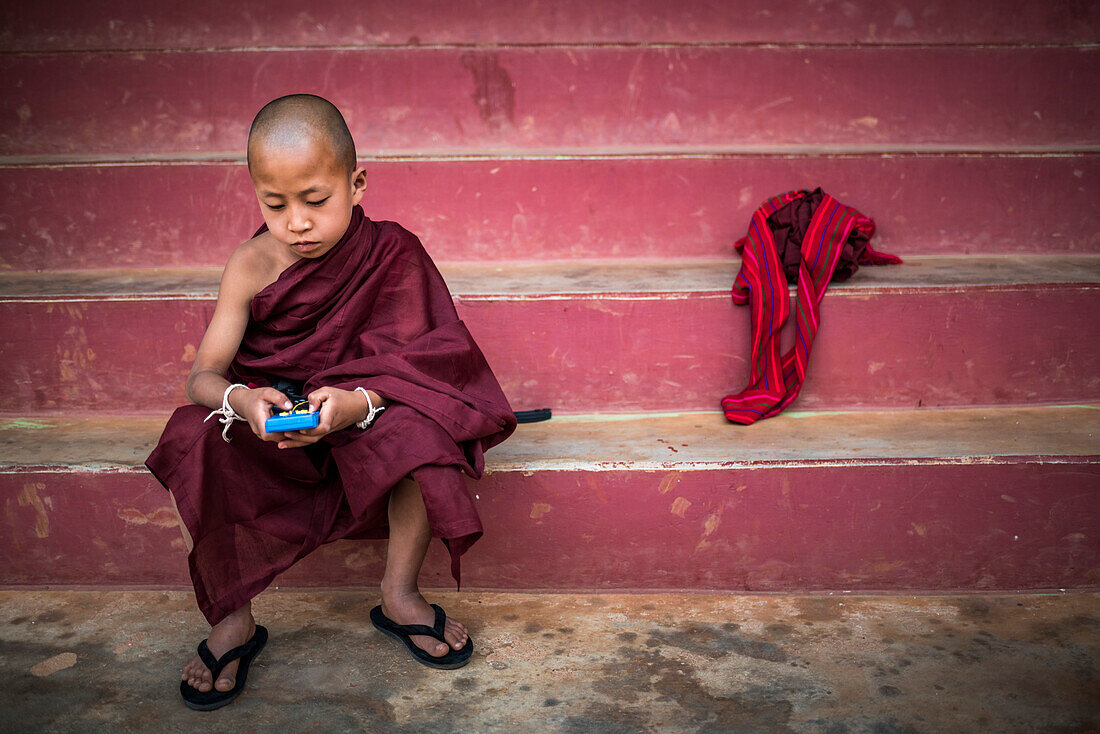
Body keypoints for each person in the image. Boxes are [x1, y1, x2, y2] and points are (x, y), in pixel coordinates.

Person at [146, 94, 516, 710]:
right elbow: (204, 377)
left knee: (421, 430)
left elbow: (434, 363)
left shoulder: (394, 252)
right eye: (274, 203)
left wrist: (360, 403)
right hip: (276, 425)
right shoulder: (250, 263)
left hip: (361, 417)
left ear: (356, 183)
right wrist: (244, 401)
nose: (295, 222)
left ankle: (399, 594)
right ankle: (233, 618)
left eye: (315, 201)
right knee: (200, 436)